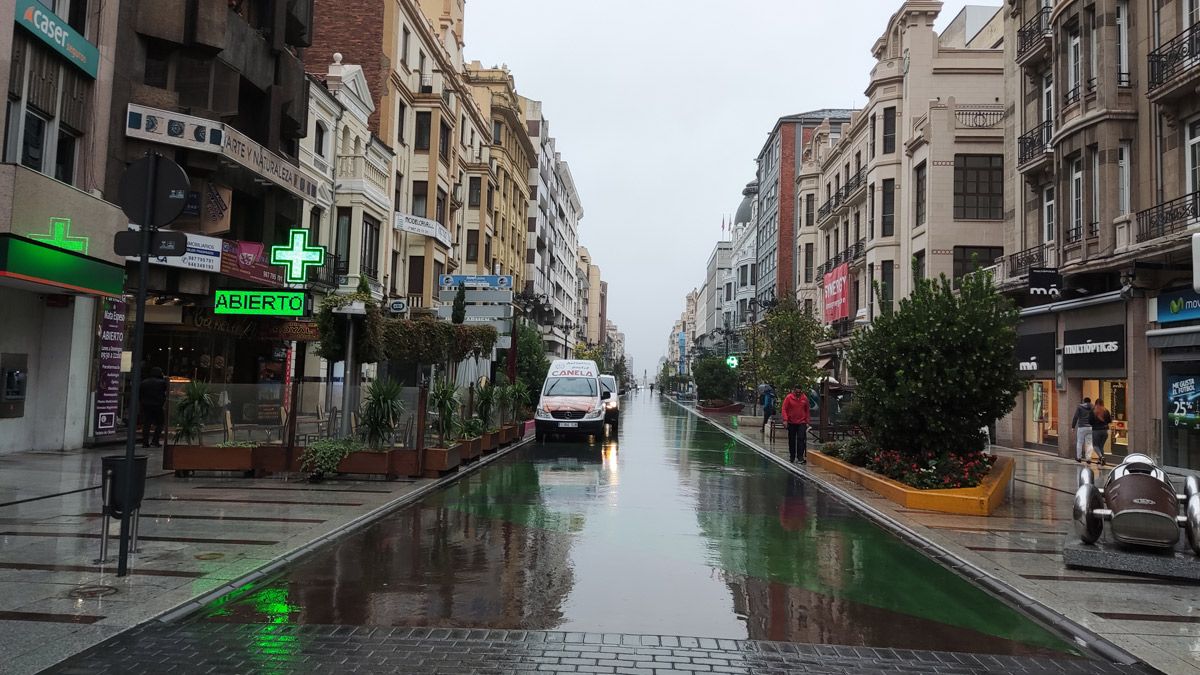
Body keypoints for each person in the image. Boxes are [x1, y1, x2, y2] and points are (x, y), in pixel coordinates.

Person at [139, 367, 168, 448]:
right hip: (158, 406)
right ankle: (155, 440)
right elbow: (166, 391)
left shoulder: (144, 382)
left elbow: (140, 394)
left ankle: (145, 442)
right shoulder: (162, 383)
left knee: (147, 424)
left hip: (146, 405)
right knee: (160, 423)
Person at [782, 385, 811, 464]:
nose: (798, 393)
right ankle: (792, 456)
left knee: (801, 439)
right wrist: (785, 420)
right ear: (794, 391)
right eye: (796, 392)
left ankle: (800, 457)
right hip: (791, 422)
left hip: (801, 422)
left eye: (799, 392)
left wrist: (807, 422)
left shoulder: (804, 398)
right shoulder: (789, 398)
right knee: (792, 439)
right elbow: (784, 408)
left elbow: (807, 410)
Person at [1090, 398, 1113, 466]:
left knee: (1095, 446)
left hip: (1096, 431)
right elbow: (1109, 420)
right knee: (1101, 446)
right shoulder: (1106, 411)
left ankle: (1101, 457)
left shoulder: (1093, 411)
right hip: (1105, 431)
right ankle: (1101, 461)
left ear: (1095, 403)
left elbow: (1090, 421)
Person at [1070, 397, 1093, 463]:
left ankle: (1079, 457)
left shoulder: (1080, 407)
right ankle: (1088, 458)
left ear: (1084, 401)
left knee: (1080, 442)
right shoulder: (1093, 407)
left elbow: (1075, 417)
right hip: (1091, 427)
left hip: (1082, 427)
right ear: (1090, 401)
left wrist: (1073, 427)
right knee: (1089, 443)